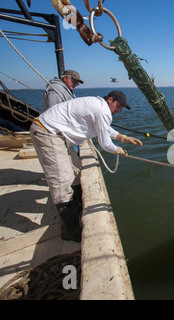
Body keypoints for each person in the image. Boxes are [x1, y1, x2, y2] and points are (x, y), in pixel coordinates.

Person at [30, 90, 143, 242]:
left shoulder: (98, 105)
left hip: (58, 134)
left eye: (122, 108)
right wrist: (118, 150)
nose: (120, 110)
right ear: (110, 99)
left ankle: (77, 210)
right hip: (48, 133)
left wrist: (122, 137)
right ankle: (70, 232)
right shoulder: (103, 110)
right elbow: (105, 144)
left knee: (76, 171)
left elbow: (102, 127)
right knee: (62, 181)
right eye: (119, 106)